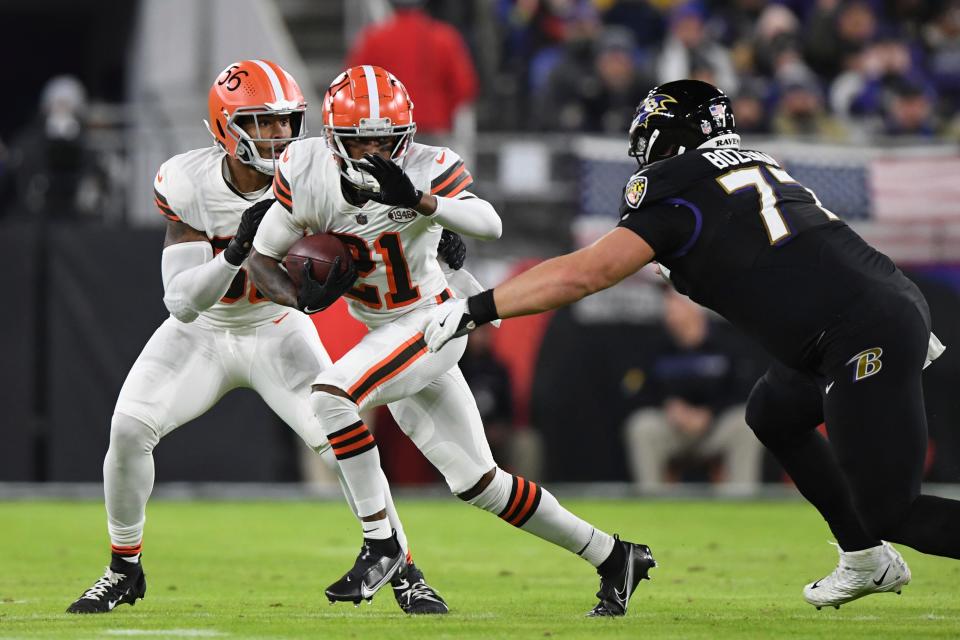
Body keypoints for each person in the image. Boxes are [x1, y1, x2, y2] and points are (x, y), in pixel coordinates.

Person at [424, 78, 960, 611]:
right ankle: (865, 557)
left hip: (859, 332)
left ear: (671, 135)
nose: (641, 155)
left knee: (893, 509)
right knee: (773, 412)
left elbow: (589, 273)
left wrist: (478, 307)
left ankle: (873, 543)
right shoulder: (754, 165)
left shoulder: (678, 185)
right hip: (859, 316)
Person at [247, 64, 655, 617]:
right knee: (480, 482)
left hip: (431, 322)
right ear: (333, 138)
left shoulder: (427, 166)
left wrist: (421, 202)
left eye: (385, 138)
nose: (374, 150)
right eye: (360, 138)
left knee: (331, 395)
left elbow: (490, 223)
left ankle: (382, 545)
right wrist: (301, 298)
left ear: (406, 134)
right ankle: (613, 556)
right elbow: (264, 253)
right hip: (383, 330)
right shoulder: (305, 167)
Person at [66, 60, 448, 616]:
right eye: (261, 123)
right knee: (128, 429)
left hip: (278, 328)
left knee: (339, 438)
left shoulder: (315, 168)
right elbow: (181, 301)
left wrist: (434, 241)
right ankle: (123, 568)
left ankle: (405, 569)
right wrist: (235, 254)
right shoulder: (188, 181)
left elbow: (383, 223)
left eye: (286, 122)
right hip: (204, 333)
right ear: (225, 126)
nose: (277, 136)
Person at [623, 288, 763, 492]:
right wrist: (669, 407)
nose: (668, 312)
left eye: (674, 305)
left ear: (693, 309)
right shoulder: (657, 348)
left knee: (746, 424)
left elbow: (744, 392)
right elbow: (636, 392)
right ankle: (652, 502)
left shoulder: (726, 345)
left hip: (714, 429)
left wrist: (710, 413)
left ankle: (741, 500)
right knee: (641, 426)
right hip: (673, 430)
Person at [345, 0, 478, 136]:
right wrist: (444, 110)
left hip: (388, 131)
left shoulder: (374, 39)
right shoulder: (444, 37)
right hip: (434, 126)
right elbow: (464, 87)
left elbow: (353, 86)